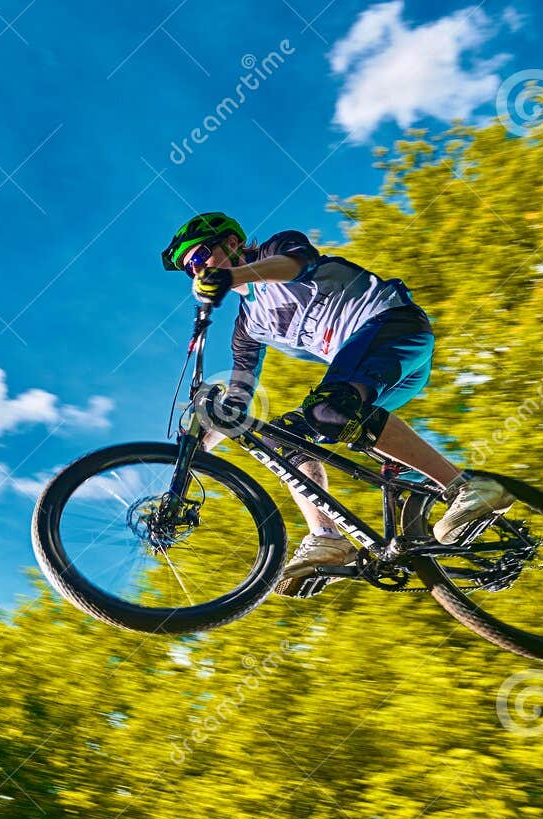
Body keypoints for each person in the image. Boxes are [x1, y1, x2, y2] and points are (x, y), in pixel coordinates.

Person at [161, 212, 514, 597]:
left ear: (230, 243)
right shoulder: (248, 328)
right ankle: (327, 538)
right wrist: (198, 442)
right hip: (373, 372)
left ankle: (466, 487)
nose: (195, 271)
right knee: (284, 438)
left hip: (395, 326)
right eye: (188, 269)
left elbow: (294, 265)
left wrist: (232, 277)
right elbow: (240, 399)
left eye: (198, 259)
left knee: (329, 409)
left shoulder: (277, 248)